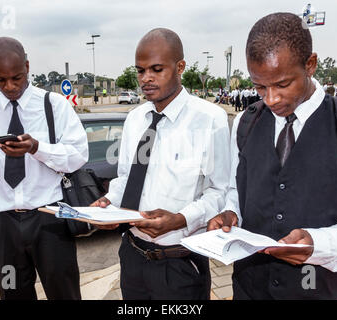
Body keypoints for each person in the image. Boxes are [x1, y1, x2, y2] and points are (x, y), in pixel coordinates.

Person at [208, 12, 337, 300]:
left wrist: (319, 243)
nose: (270, 99)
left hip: (315, 288)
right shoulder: (245, 123)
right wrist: (231, 214)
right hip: (249, 288)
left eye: (282, 84)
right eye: (259, 86)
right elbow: (236, 190)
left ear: (310, 65)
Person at [91, 28, 230, 300]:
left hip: (180, 264)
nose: (146, 79)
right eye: (140, 71)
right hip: (132, 256)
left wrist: (180, 219)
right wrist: (108, 205)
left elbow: (220, 191)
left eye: (156, 69)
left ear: (180, 67)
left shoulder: (210, 119)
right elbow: (126, 178)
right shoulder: (135, 119)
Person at [0, 37, 88, 300]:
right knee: (13, 293)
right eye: (1, 80)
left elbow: (78, 156)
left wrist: (37, 148)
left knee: (64, 293)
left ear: (27, 66)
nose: (10, 86)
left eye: (17, 77)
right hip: (4, 224)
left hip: (50, 220)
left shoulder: (54, 105)